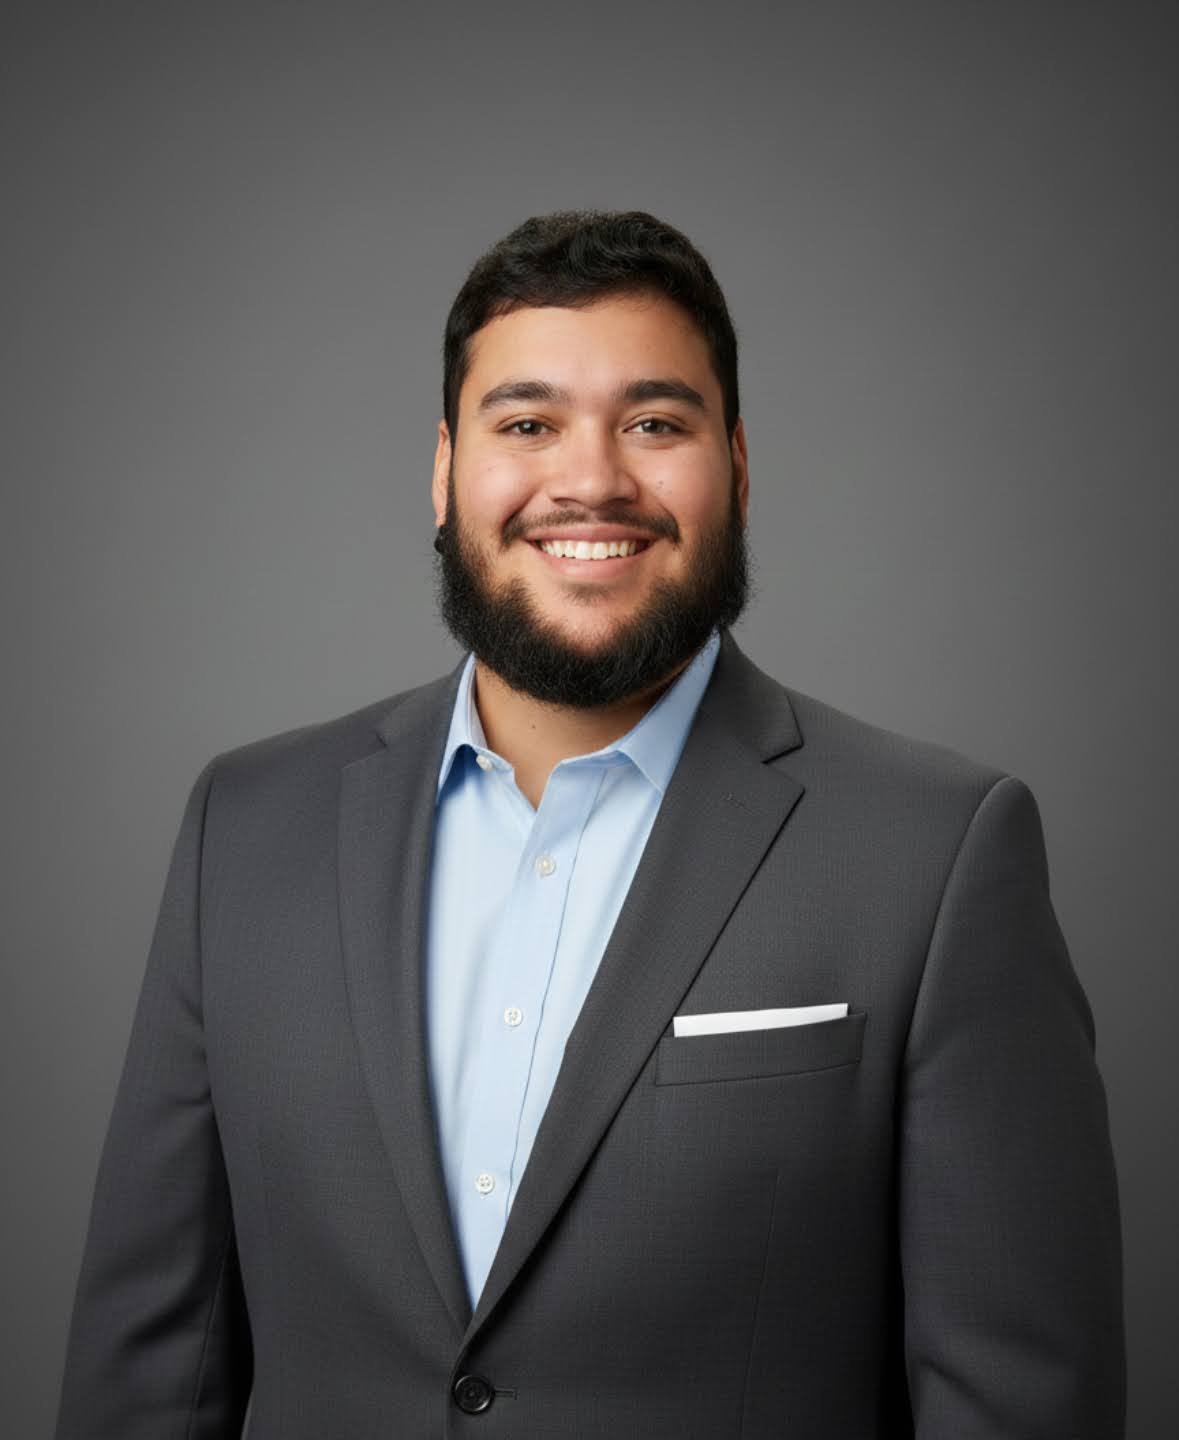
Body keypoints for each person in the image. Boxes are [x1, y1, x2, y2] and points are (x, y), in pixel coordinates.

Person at [55, 209, 1125, 1438]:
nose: (591, 480)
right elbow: (149, 1375)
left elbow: (1021, 1407)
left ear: (736, 462)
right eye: (527, 424)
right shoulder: (244, 832)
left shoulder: (938, 855)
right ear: (446, 469)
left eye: (656, 423)